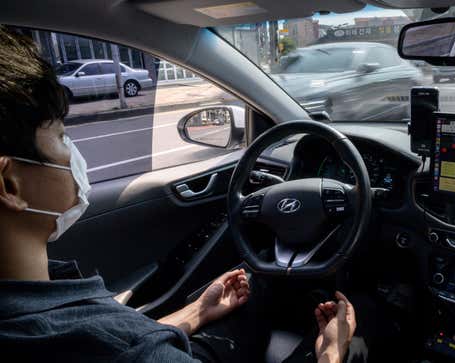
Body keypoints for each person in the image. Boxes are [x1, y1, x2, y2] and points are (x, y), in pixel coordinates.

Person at [0, 26, 359, 363]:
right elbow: (126, 344)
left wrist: (196, 312)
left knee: (258, 279)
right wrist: (331, 350)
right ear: (9, 184)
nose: (74, 154)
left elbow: (126, 337)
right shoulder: (117, 347)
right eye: (62, 137)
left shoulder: (42, 307)